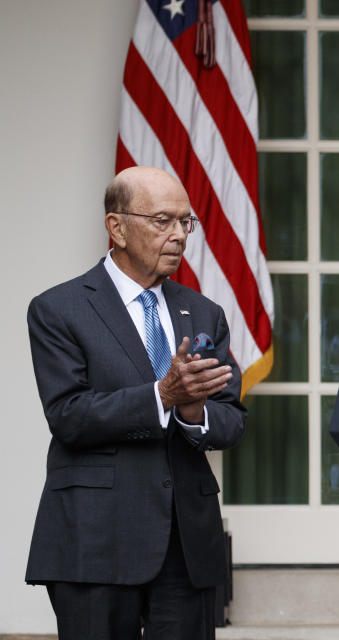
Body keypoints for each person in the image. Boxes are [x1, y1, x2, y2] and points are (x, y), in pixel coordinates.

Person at [25, 166, 246, 639]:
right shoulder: (58, 309)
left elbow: (229, 420)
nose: (179, 236)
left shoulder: (203, 312)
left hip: (185, 544)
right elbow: (68, 416)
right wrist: (162, 395)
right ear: (117, 227)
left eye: (186, 222)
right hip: (95, 540)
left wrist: (192, 411)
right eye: (162, 220)